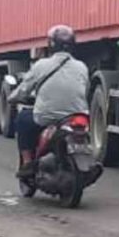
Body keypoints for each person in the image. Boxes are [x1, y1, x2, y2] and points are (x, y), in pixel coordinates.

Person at [9, 25, 89, 178]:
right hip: (76, 117)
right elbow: (85, 90)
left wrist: (12, 98)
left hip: (47, 117)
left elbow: (24, 89)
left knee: (22, 119)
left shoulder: (41, 65)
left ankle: (27, 163)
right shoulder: (82, 67)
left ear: (51, 44)